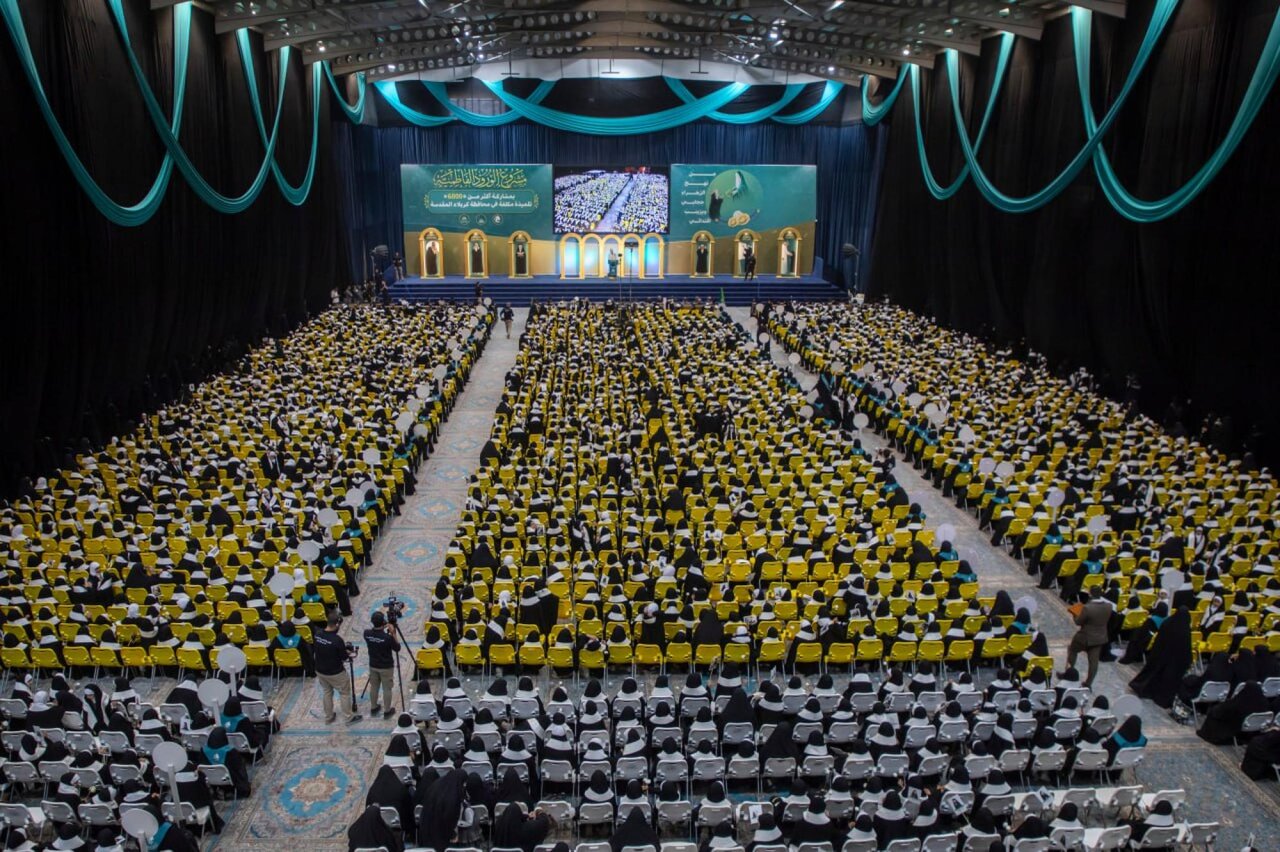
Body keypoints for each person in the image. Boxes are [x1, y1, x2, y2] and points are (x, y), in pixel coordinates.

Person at [1130, 606, 1193, 708]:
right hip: (1175, 661)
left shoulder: (1168, 623)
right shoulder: (1185, 629)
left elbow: (1159, 640)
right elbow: (1186, 648)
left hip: (1161, 654)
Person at [314, 614, 361, 724]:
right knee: (344, 693)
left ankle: (329, 716)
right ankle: (348, 717)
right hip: (335, 672)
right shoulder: (337, 640)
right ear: (337, 624)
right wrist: (347, 652)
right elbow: (344, 657)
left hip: (320, 670)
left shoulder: (317, 634)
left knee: (327, 692)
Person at [1064, 587, 1110, 688]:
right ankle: (1088, 683)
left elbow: (1078, 622)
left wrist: (1074, 612)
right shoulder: (1108, 606)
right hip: (1099, 638)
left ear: (1090, 595)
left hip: (1085, 637)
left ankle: (1070, 673)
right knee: (1093, 662)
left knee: (1072, 650)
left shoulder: (1087, 608)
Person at [364, 609, 401, 719]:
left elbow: (374, 632)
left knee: (374, 686)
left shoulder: (366, 634)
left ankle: (374, 707)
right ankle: (387, 710)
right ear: (383, 622)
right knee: (387, 688)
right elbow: (397, 648)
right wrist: (393, 632)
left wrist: (382, 627)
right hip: (386, 667)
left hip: (373, 665)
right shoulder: (388, 638)